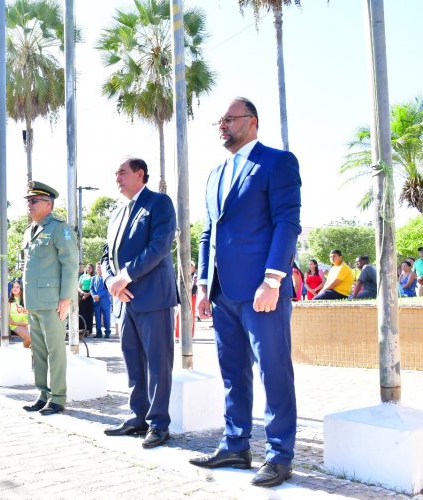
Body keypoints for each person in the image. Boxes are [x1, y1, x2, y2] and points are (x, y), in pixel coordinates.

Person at [192, 98, 301, 487]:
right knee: (232, 372)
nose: (222, 125)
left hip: (261, 290)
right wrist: (203, 284)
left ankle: (279, 454)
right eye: (219, 121)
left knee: (274, 371)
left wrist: (273, 280)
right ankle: (236, 444)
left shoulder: (277, 162)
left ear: (251, 122)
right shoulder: (214, 175)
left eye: (229, 119)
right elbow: (209, 233)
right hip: (222, 294)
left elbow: (287, 222)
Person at [100, 158, 177, 449]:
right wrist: (110, 281)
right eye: (116, 173)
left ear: (139, 174)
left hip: (153, 296)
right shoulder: (117, 212)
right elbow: (106, 254)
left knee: (158, 362)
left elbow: (159, 246)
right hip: (124, 299)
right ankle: (138, 417)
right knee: (132, 360)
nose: (117, 177)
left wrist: (125, 276)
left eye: (122, 172)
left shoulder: (159, 203)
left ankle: (159, 424)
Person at [20, 181, 78, 415]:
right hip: (34, 301)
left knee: (55, 350)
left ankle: (58, 397)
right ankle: (43, 394)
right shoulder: (29, 230)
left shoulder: (59, 229)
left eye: (34, 201)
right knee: (39, 351)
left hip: (53, 301)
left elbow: (70, 265)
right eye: (28, 201)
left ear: (49, 204)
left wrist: (66, 298)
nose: (29, 205)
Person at [90, 263, 112, 338]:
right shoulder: (93, 278)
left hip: (105, 301)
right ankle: (98, 333)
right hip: (96, 301)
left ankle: (107, 332)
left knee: (106, 317)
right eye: (97, 267)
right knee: (97, 318)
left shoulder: (106, 278)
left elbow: (107, 289)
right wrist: (93, 296)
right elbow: (91, 288)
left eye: (99, 267)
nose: (98, 268)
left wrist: (98, 295)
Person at [8, 280, 31, 348]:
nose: (15, 289)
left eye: (17, 287)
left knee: (38, 336)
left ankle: (32, 354)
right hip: (15, 325)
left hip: (27, 324)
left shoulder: (26, 301)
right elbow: (7, 319)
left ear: (21, 289)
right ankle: (26, 353)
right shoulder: (9, 302)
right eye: (13, 287)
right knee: (29, 336)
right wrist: (21, 324)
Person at [77, 263, 95, 336]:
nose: (88, 269)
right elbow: (78, 286)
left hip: (90, 295)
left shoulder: (94, 277)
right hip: (82, 295)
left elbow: (94, 287)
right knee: (82, 312)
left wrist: (87, 294)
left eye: (90, 268)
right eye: (87, 267)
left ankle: (88, 330)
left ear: (92, 269)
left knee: (89, 313)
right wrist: (82, 293)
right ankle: (81, 330)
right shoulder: (82, 276)